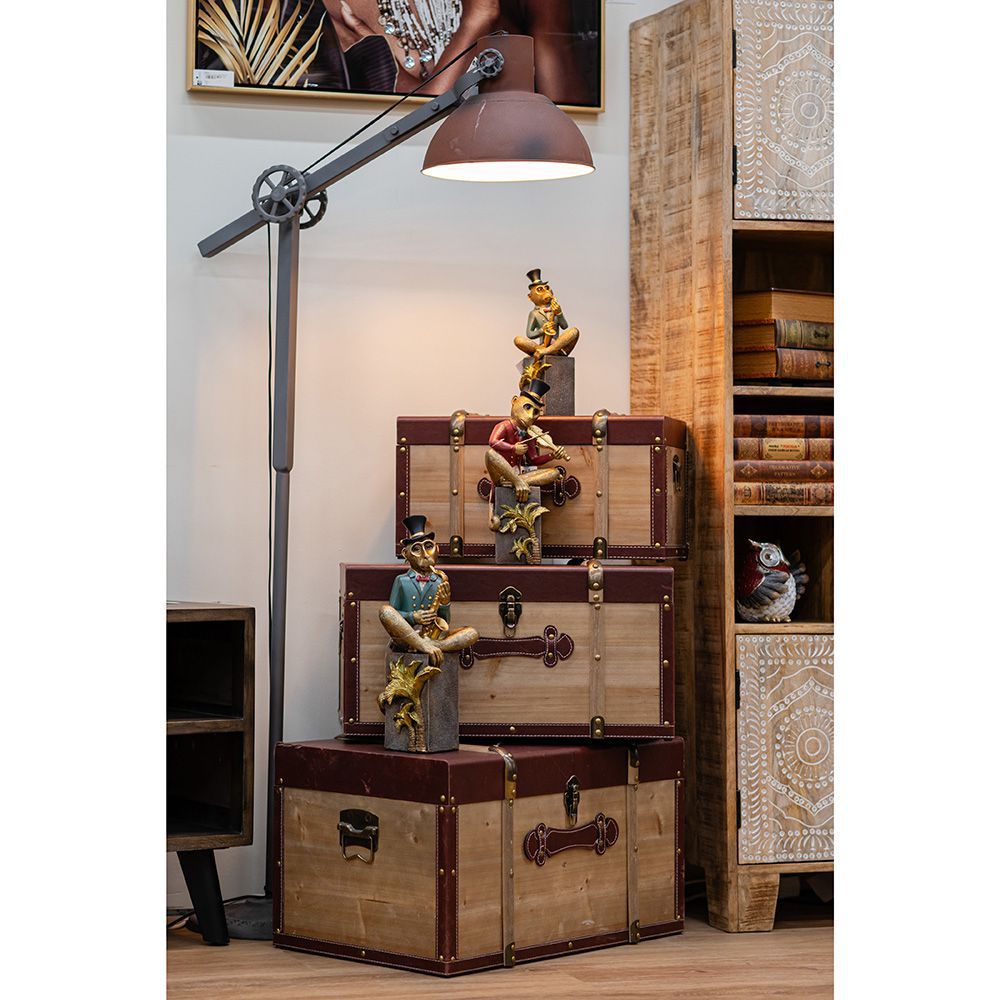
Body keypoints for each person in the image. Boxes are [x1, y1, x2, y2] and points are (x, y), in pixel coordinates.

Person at [378, 515, 478, 666]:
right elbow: (393, 615)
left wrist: (445, 603)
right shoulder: (401, 581)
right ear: (406, 554)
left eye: (428, 546)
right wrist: (413, 617)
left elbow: (445, 622)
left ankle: (433, 645)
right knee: (385, 611)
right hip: (407, 637)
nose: (425, 555)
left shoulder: (439, 581)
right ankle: (422, 645)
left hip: (433, 636)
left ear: (437, 549)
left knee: (472, 633)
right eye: (416, 549)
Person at [485, 379, 569, 515]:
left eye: (535, 412)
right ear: (514, 401)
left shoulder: (528, 433)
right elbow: (493, 441)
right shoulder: (504, 426)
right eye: (528, 407)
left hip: (517, 475)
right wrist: (513, 448)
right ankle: (517, 482)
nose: (530, 416)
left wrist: (552, 456)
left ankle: (516, 482)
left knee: (554, 473)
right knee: (490, 454)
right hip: (501, 474)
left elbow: (533, 459)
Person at [515, 267, 580, 359]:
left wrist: (559, 313)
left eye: (547, 288)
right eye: (540, 289)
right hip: (542, 345)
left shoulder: (555, 309)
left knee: (574, 331)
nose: (546, 291)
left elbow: (564, 326)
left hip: (558, 343)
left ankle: (548, 351)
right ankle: (547, 350)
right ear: (530, 297)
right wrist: (542, 330)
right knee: (518, 340)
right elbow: (530, 334)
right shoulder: (534, 313)